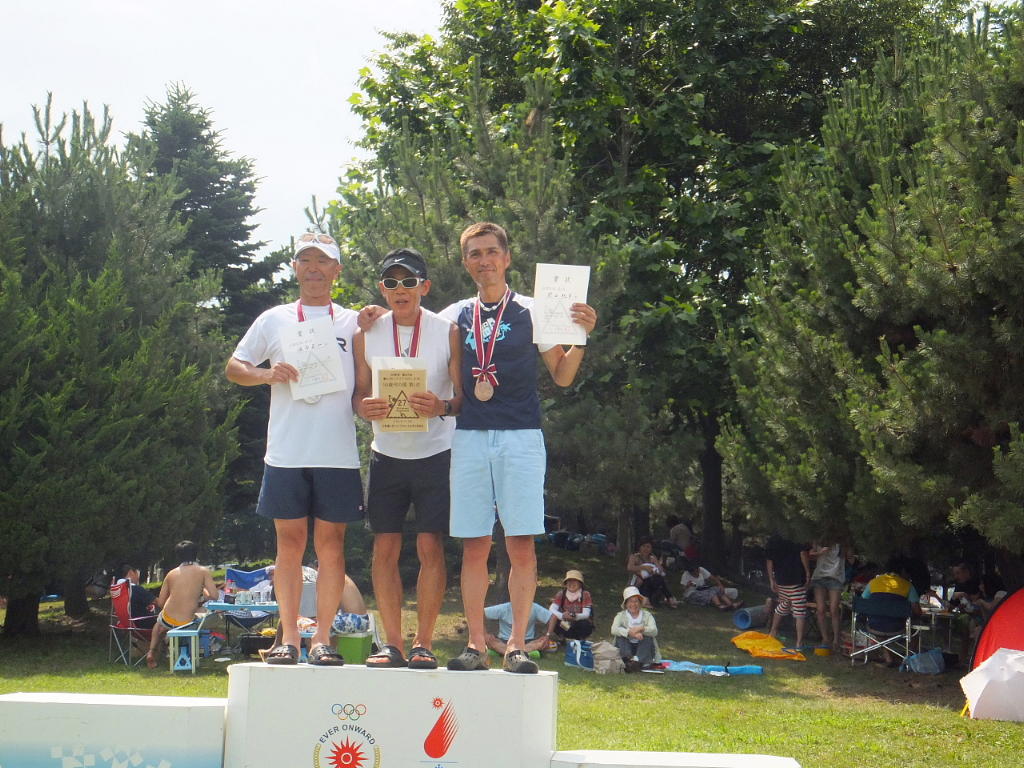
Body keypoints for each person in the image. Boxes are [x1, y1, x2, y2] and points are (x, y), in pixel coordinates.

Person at [440, 222, 597, 674]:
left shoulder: (534, 310)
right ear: (465, 262)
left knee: (521, 544)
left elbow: (562, 375)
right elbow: (413, 332)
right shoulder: (455, 314)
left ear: (507, 258)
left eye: (492, 251)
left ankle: (516, 645)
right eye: (475, 254)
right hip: (470, 436)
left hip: (521, 436)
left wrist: (581, 335)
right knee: (474, 545)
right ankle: (475, 644)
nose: (484, 260)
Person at [225, 231, 371, 666]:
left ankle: (322, 638)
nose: (313, 268)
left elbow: (365, 383)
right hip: (287, 452)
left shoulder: (354, 322)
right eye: (305, 260)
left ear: (336, 270)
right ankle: (289, 637)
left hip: (336, 453)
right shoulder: (274, 318)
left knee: (331, 546)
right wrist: (266, 375)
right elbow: (234, 366)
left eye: (322, 261)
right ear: (295, 268)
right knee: (288, 545)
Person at [353, 248, 462, 670]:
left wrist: (441, 406)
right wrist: (364, 407)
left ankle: (425, 643)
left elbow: (462, 400)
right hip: (386, 455)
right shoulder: (366, 332)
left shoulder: (447, 330)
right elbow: (359, 394)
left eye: (409, 281)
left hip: (436, 452)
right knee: (385, 548)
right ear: (382, 289)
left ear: (424, 286)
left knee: (430, 545)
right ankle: (393, 644)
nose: (400, 290)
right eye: (391, 283)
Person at [146, 541, 218, 669]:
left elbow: (161, 602)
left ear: (178, 556)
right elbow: (214, 596)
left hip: (168, 619)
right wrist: (203, 590)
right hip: (187, 622)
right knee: (206, 614)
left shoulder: (171, 574)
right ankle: (191, 651)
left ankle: (152, 651)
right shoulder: (203, 571)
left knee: (159, 624)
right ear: (195, 554)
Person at [860, 558, 922, 666]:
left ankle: (888, 657)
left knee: (880, 622)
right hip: (898, 627)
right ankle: (909, 658)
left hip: (874, 625)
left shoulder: (874, 582)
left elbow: (862, 603)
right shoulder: (908, 585)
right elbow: (917, 611)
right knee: (916, 630)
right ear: (902, 571)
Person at [766, 535, 811, 649]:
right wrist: (807, 573)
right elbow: (803, 554)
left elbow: (769, 560)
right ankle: (799, 643)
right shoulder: (798, 534)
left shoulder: (774, 537)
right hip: (796, 579)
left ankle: (773, 631)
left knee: (784, 604)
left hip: (781, 580)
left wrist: (771, 579)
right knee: (799, 611)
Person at [610, 586, 662, 673]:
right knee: (620, 636)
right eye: (630, 601)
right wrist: (630, 633)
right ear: (626, 604)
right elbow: (614, 629)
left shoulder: (647, 615)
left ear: (640, 603)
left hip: (642, 648)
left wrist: (641, 629)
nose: (633, 604)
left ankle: (638, 662)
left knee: (648, 637)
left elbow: (654, 631)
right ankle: (628, 661)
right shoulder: (620, 615)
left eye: (636, 601)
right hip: (627, 647)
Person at [808, 542, 847, 650]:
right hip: (819, 577)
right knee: (820, 609)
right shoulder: (819, 541)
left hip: (835, 578)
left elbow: (848, 555)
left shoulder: (841, 543)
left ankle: (836, 640)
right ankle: (825, 639)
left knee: (834, 609)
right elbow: (809, 554)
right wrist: (820, 552)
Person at [544, 569, 595, 642]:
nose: (571, 583)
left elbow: (586, 614)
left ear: (580, 583)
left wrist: (575, 616)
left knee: (584, 624)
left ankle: (580, 639)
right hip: (565, 622)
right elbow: (552, 609)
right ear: (566, 583)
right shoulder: (561, 594)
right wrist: (562, 615)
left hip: (579, 622)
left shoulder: (585, 594)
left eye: (575, 581)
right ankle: (562, 637)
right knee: (553, 619)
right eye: (569, 581)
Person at [484, 601, 552, 654]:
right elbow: (481, 613)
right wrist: (485, 634)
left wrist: (547, 635)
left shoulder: (534, 607)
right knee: (491, 641)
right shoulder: (503, 608)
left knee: (544, 643)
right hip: (504, 641)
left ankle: (505, 651)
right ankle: (525, 651)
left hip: (527, 641)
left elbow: (551, 617)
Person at [626, 537, 677, 608]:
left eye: (648, 547)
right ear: (639, 547)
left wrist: (656, 563)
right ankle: (669, 598)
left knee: (658, 578)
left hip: (652, 583)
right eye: (643, 546)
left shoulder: (652, 558)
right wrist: (644, 567)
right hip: (639, 583)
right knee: (647, 579)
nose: (645, 549)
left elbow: (661, 571)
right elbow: (630, 567)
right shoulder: (634, 557)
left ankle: (668, 598)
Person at [119, 564, 157, 629]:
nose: (138, 577)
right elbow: (159, 602)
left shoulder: (119, 588)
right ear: (131, 572)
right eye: (138, 573)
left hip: (126, 624)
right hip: (143, 625)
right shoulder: (136, 589)